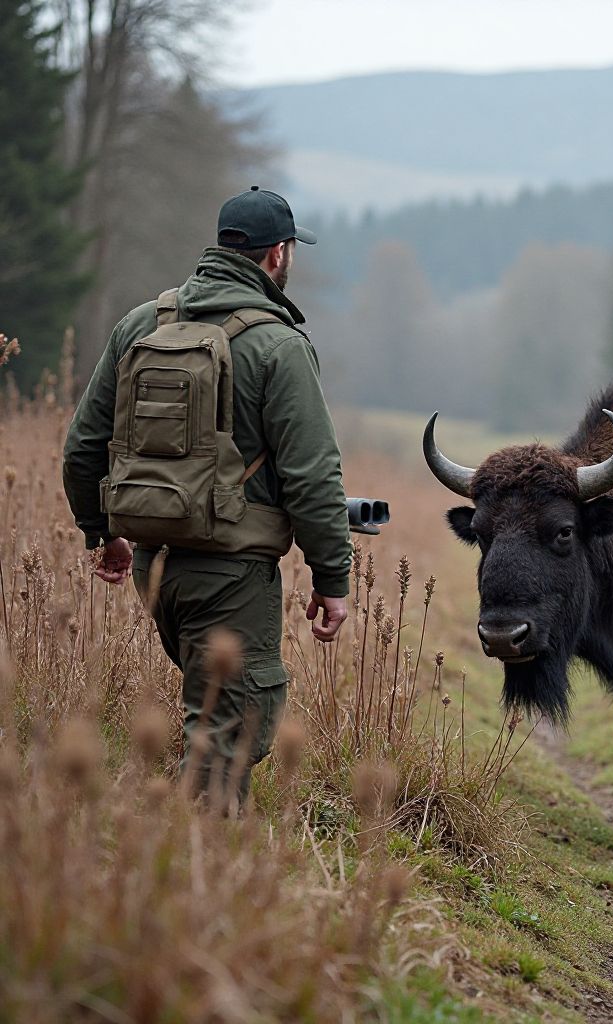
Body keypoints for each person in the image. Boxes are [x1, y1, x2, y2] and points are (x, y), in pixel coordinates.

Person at [63, 186, 352, 806]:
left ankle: (178, 866)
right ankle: (191, 880)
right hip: (232, 577)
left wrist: (101, 534)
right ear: (278, 255)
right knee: (230, 733)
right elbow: (312, 475)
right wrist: (333, 576)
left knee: (212, 718)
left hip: (154, 568)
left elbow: (83, 447)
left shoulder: (142, 324)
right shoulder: (279, 346)